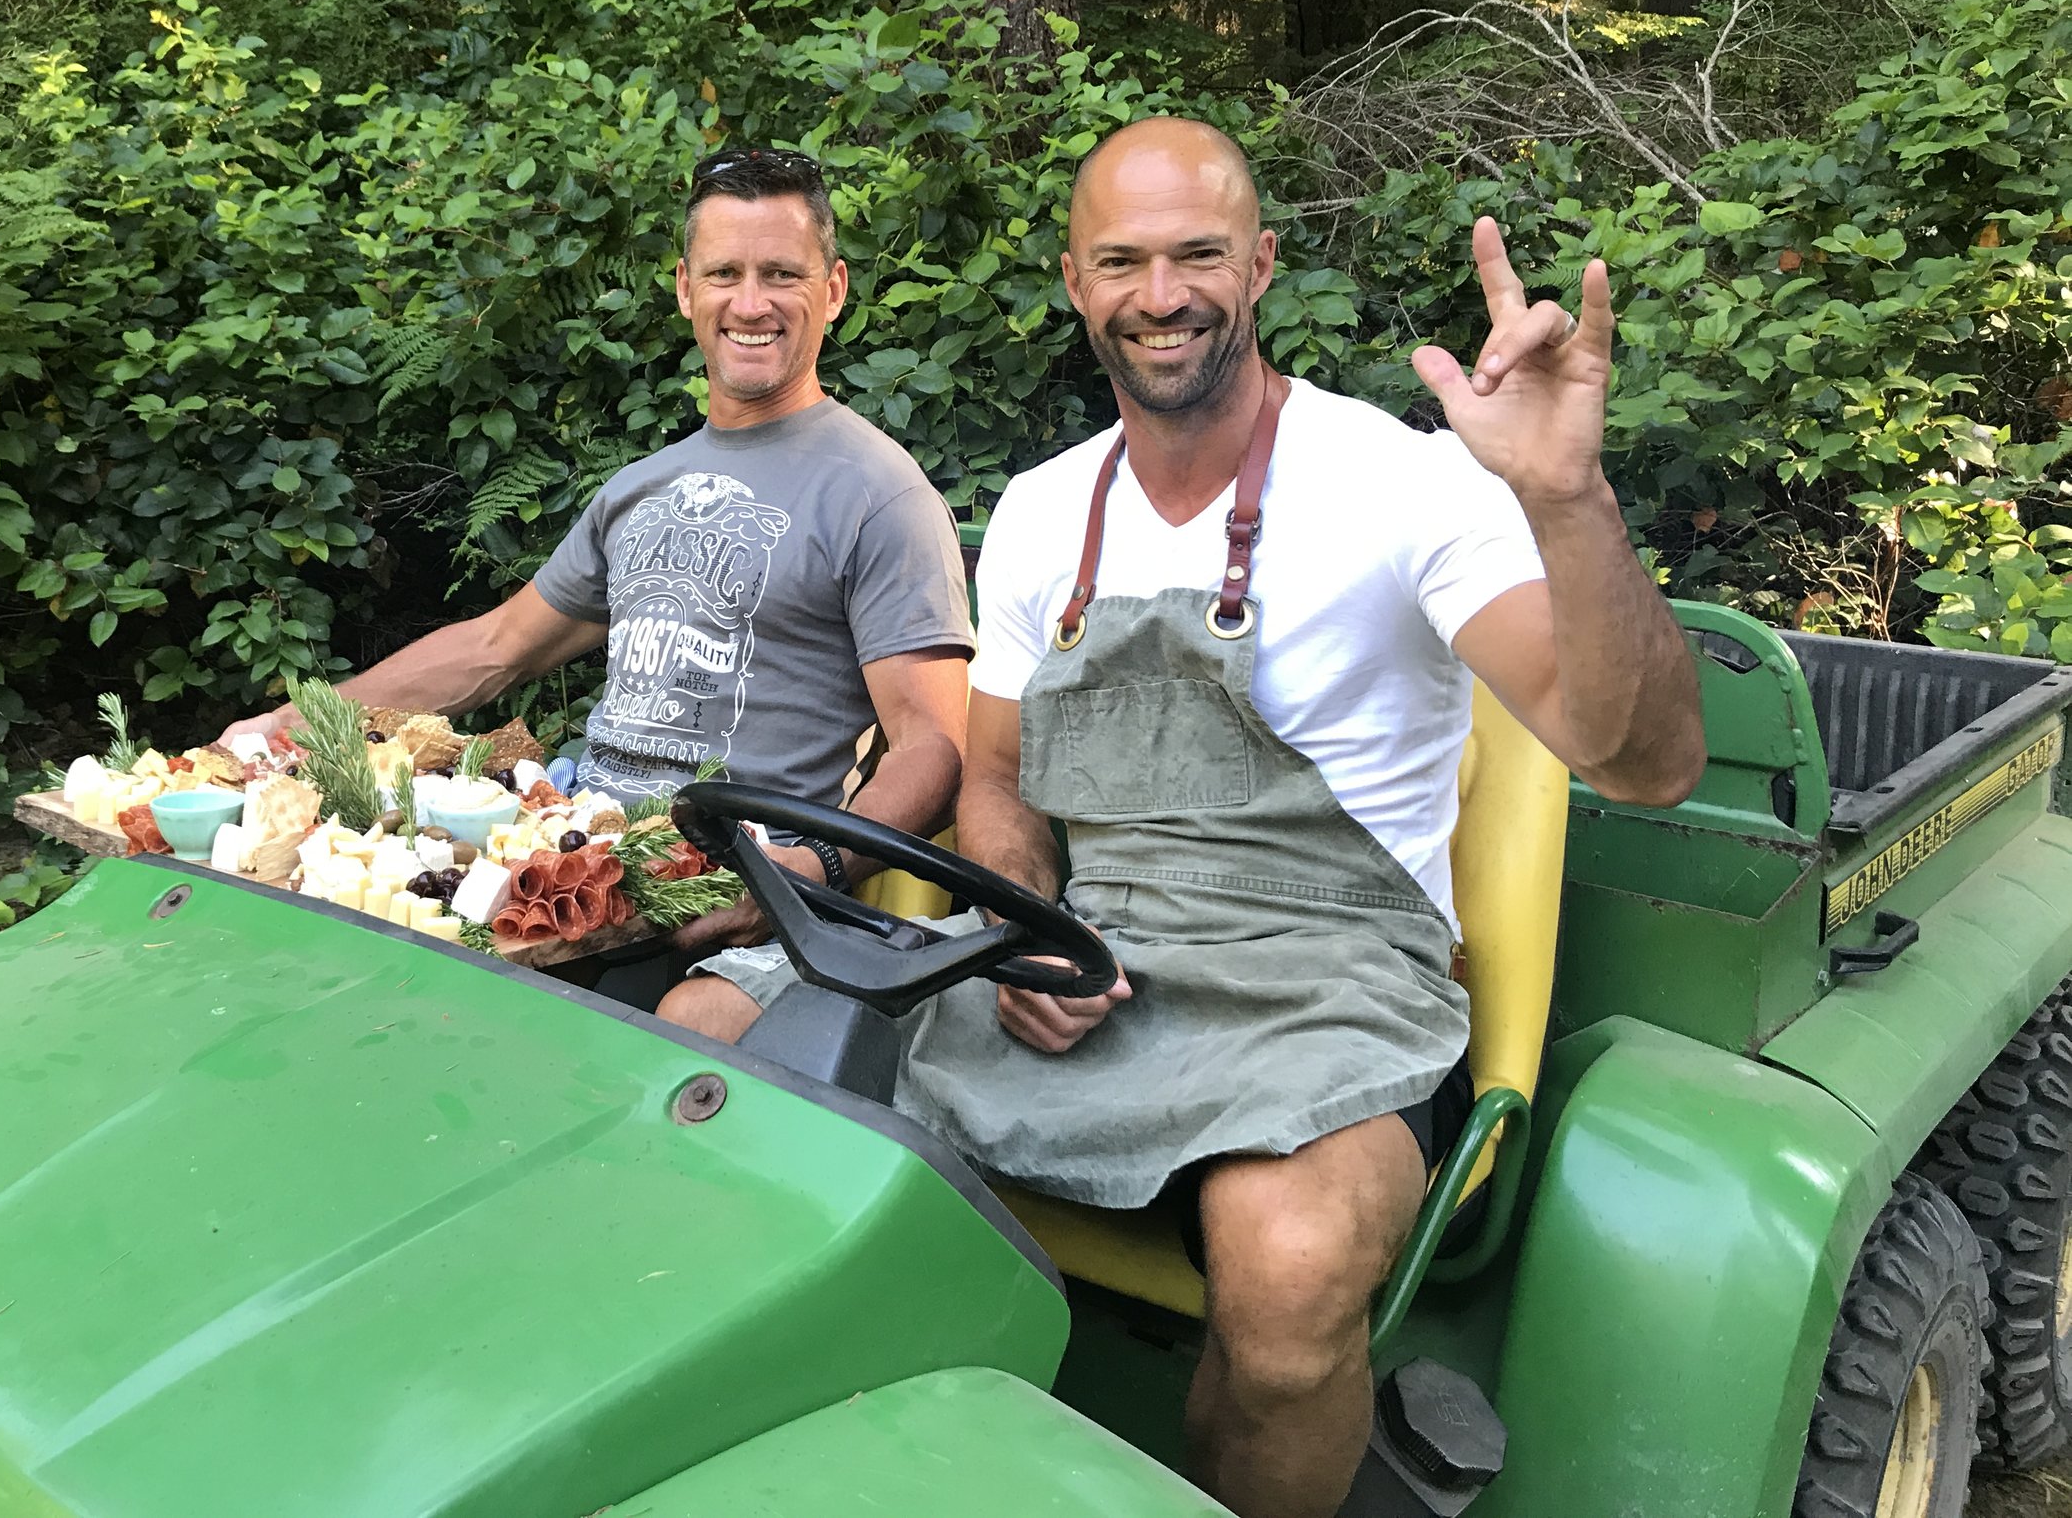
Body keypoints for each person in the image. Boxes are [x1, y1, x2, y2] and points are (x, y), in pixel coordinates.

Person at [659, 117, 1705, 1518]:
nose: (1164, 293)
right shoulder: (1039, 513)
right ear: (1079, 285)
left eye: (1199, 252)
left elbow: (1643, 760)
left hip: (1332, 979)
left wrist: (1567, 496)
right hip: (1095, 942)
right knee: (702, 1041)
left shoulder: (1408, 484)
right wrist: (1028, 931)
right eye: (1124, 260)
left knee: (1281, 1260)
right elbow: (1000, 777)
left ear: (1261, 263)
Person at [222, 147, 974, 937]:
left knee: (688, 1022)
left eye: (782, 274)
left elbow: (935, 746)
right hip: (574, 864)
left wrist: (812, 870)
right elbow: (496, 646)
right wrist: (293, 723)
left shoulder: (880, 492)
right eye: (724, 274)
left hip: (746, 893)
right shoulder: (639, 489)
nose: (751, 303)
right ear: (686, 289)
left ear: (835, 289)